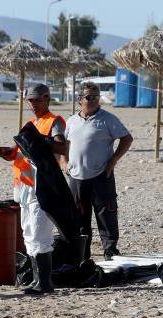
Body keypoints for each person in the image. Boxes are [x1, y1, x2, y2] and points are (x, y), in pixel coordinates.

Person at [0, 83, 68, 294]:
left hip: (42, 186)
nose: (33, 104)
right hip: (25, 187)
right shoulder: (31, 123)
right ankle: (37, 280)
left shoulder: (54, 122)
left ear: (47, 98)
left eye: (37, 100)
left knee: (39, 233)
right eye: (30, 100)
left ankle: (45, 283)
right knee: (28, 233)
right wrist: (3, 151)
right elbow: (19, 152)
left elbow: (62, 147)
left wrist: (42, 141)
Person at [64, 82, 133, 261]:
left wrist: (113, 161)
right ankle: (82, 253)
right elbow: (64, 145)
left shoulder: (108, 119)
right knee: (79, 215)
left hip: (101, 174)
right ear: (80, 100)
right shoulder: (71, 121)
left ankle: (110, 250)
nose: (94, 100)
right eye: (89, 97)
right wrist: (64, 162)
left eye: (96, 96)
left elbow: (126, 139)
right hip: (77, 176)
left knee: (106, 213)